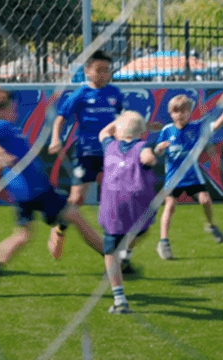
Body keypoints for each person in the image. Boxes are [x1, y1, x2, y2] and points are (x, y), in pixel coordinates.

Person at [0, 86, 104, 297]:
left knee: (22, 236)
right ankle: (116, 261)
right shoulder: (1, 126)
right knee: (75, 216)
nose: (15, 113)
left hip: (24, 192)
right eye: (12, 109)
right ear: (1, 111)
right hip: (37, 190)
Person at [45, 50, 151, 258]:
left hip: (112, 153)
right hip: (86, 153)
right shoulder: (81, 94)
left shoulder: (115, 94)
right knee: (76, 199)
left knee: (119, 199)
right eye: (99, 70)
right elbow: (60, 118)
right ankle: (60, 229)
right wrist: (55, 139)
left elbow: (126, 119)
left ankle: (118, 250)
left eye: (107, 70)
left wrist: (143, 128)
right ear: (87, 72)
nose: (103, 74)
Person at [153, 95, 223, 260]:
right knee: (170, 206)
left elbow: (215, 126)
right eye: (176, 111)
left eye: (184, 111)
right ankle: (163, 242)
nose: (180, 114)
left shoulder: (197, 127)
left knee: (205, 200)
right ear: (171, 114)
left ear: (190, 112)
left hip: (192, 176)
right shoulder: (167, 131)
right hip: (174, 178)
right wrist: (160, 148)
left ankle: (211, 225)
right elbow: (157, 151)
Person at [97, 110, 161, 314]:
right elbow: (147, 157)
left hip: (113, 208)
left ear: (117, 132)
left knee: (110, 252)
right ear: (142, 134)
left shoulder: (109, 145)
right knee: (142, 231)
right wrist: (153, 155)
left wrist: (118, 123)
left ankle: (119, 298)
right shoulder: (143, 146)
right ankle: (128, 252)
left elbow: (103, 132)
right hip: (137, 208)